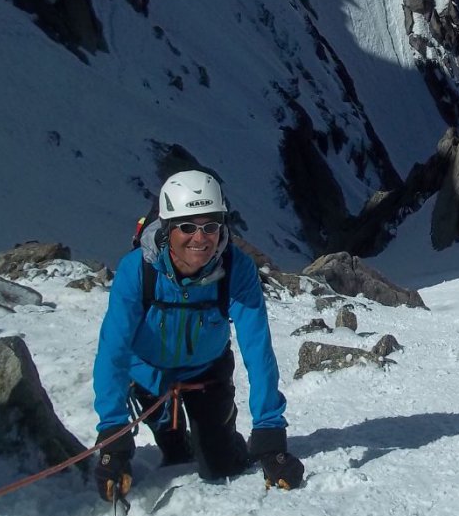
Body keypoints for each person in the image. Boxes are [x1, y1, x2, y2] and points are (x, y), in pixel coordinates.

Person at [90, 169, 304, 498]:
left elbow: (257, 348)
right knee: (177, 454)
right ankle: (171, 430)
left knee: (220, 466)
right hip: (148, 376)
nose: (200, 238)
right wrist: (113, 433)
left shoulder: (236, 269)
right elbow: (113, 349)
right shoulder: (138, 270)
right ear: (167, 229)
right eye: (187, 227)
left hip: (207, 374)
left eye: (210, 226)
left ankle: (221, 437)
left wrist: (269, 432)